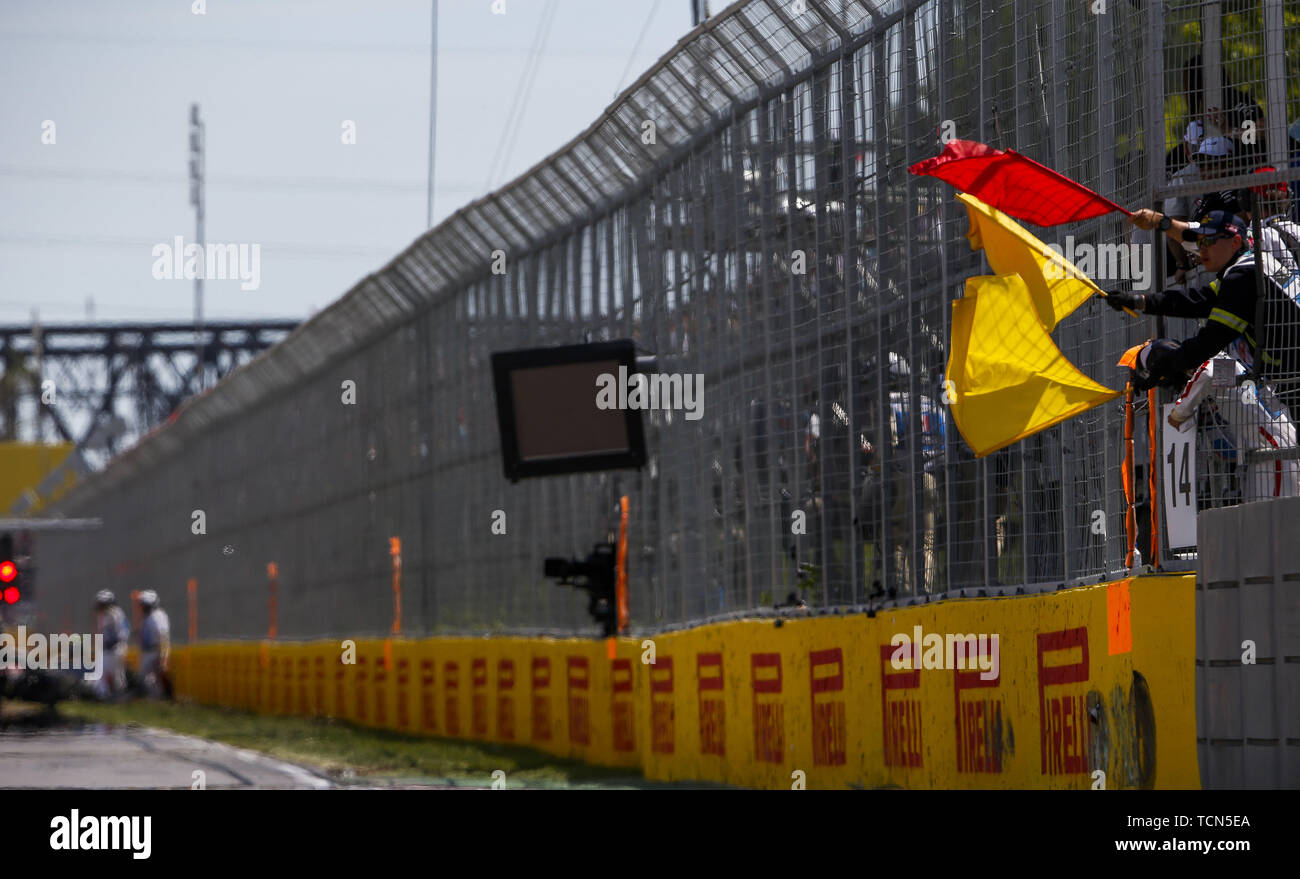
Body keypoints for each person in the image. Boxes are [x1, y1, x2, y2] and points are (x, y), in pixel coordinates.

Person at [1111, 210, 1300, 411]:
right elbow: (1198, 300)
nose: (1202, 249)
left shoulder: (1242, 279)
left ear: (1235, 242)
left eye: (1209, 241)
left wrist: (1162, 366)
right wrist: (1139, 301)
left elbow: (1209, 341)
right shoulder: (1250, 267)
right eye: (1199, 242)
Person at [1167, 353, 1298, 501]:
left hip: (1272, 445)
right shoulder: (1232, 363)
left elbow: (1207, 374)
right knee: (1257, 509)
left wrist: (1178, 413)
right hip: (1262, 448)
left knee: (1277, 511)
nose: (1190, 375)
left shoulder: (1216, 363)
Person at [94, 590, 128, 700]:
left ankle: (116, 696)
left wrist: (114, 643)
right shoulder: (106, 615)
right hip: (109, 649)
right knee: (104, 672)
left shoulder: (115, 614)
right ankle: (106, 695)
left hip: (116, 648)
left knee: (117, 675)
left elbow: (123, 633)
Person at [137, 590, 171, 699]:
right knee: (149, 677)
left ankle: (157, 697)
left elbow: (163, 637)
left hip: (155, 650)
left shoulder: (158, 616)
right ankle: (155, 697)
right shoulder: (148, 617)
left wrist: (163, 657)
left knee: (147, 675)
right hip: (148, 651)